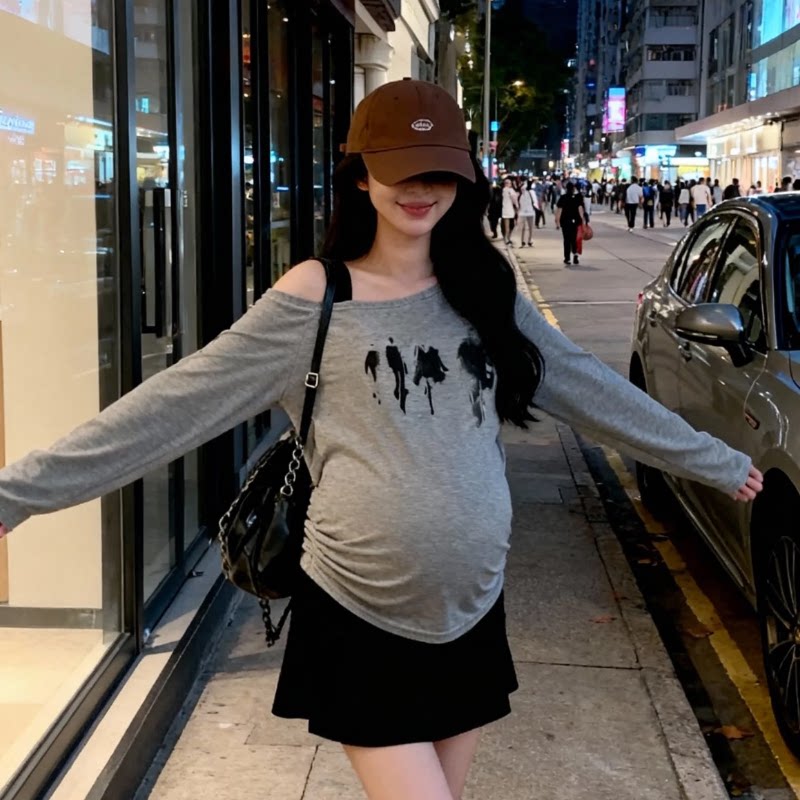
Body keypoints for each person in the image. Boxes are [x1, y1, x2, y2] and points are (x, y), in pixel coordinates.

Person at [0, 77, 764, 800]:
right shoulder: (314, 296)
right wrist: (18, 494)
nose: (420, 188)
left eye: (438, 170)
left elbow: (588, 388)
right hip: (358, 607)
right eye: (400, 169)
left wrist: (712, 460)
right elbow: (173, 405)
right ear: (361, 176)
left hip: (471, 604)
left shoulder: (485, 288)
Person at [555, 181, 586, 265]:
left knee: (566, 240)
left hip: (565, 222)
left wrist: (557, 222)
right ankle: (575, 254)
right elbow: (580, 210)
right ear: (573, 189)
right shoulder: (577, 198)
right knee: (574, 239)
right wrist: (582, 220)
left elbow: (559, 211)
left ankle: (567, 258)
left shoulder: (563, 198)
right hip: (575, 221)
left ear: (566, 189)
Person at [517, 179, 536, 247]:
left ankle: (526, 241)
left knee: (527, 227)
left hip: (527, 211)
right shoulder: (523, 193)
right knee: (527, 227)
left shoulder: (528, 192)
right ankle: (526, 241)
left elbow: (534, 201)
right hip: (526, 211)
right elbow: (534, 201)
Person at [501, 177, 518, 246]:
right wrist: (517, 206)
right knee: (511, 225)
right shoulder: (510, 190)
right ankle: (508, 239)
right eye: (510, 183)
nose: (511, 184)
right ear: (507, 184)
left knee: (506, 226)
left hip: (505, 210)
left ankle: (506, 239)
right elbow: (514, 199)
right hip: (510, 210)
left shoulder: (503, 190)